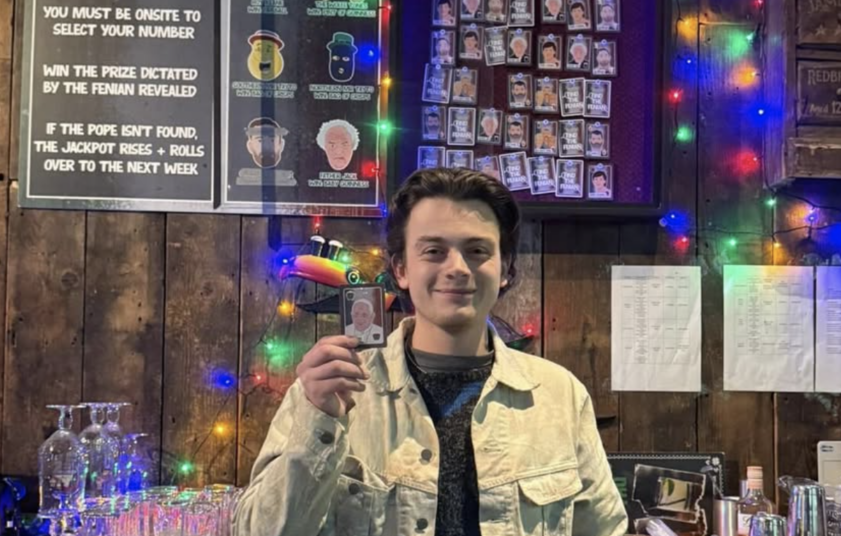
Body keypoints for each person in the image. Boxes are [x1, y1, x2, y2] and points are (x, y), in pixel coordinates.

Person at [234, 168, 626, 536]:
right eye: (434, 251)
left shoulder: (560, 396)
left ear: (505, 268)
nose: (458, 268)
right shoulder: (328, 391)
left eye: (477, 250)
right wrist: (319, 423)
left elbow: (605, 529)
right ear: (401, 269)